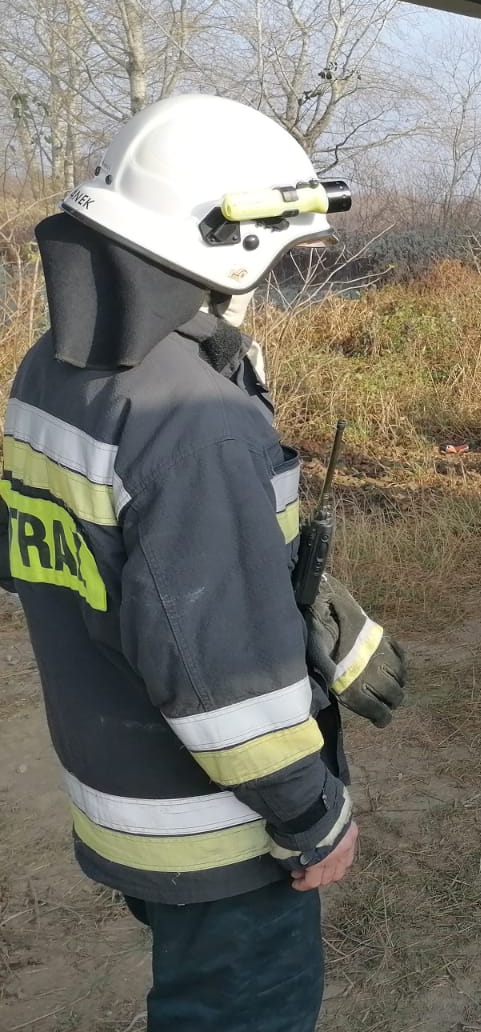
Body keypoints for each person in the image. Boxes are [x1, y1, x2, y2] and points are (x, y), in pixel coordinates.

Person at [1, 93, 406, 1030]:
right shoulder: (197, 423)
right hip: (219, 833)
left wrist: (270, 579)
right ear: (233, 243)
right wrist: (313, 816)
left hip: (123, 790)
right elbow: (227, 688)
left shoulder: (51, 367)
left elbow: (67, 557)